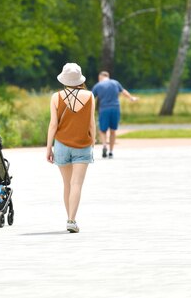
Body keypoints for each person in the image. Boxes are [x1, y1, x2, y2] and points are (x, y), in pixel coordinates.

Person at [46, 63, 95, 233]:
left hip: (61, 145)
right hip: (83, 145)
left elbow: (53, 124)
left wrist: (48, 148)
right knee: (76, 184)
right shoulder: (89, 96)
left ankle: (70, 219)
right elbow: (91, 123)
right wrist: (93, 142)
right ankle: (71, 220)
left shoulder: (55, 97)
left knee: (67, 184)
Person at [91, 71, 138, 159]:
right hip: (115, 108)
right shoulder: (115, 83)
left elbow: (91, 97)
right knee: (113, 130)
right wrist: (132, 98)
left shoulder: (98, 85)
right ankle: (111, 152)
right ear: (108, 76)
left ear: (101, 77)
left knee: (102, 130)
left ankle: (104, 145)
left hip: (104, 109)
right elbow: (124, 92)